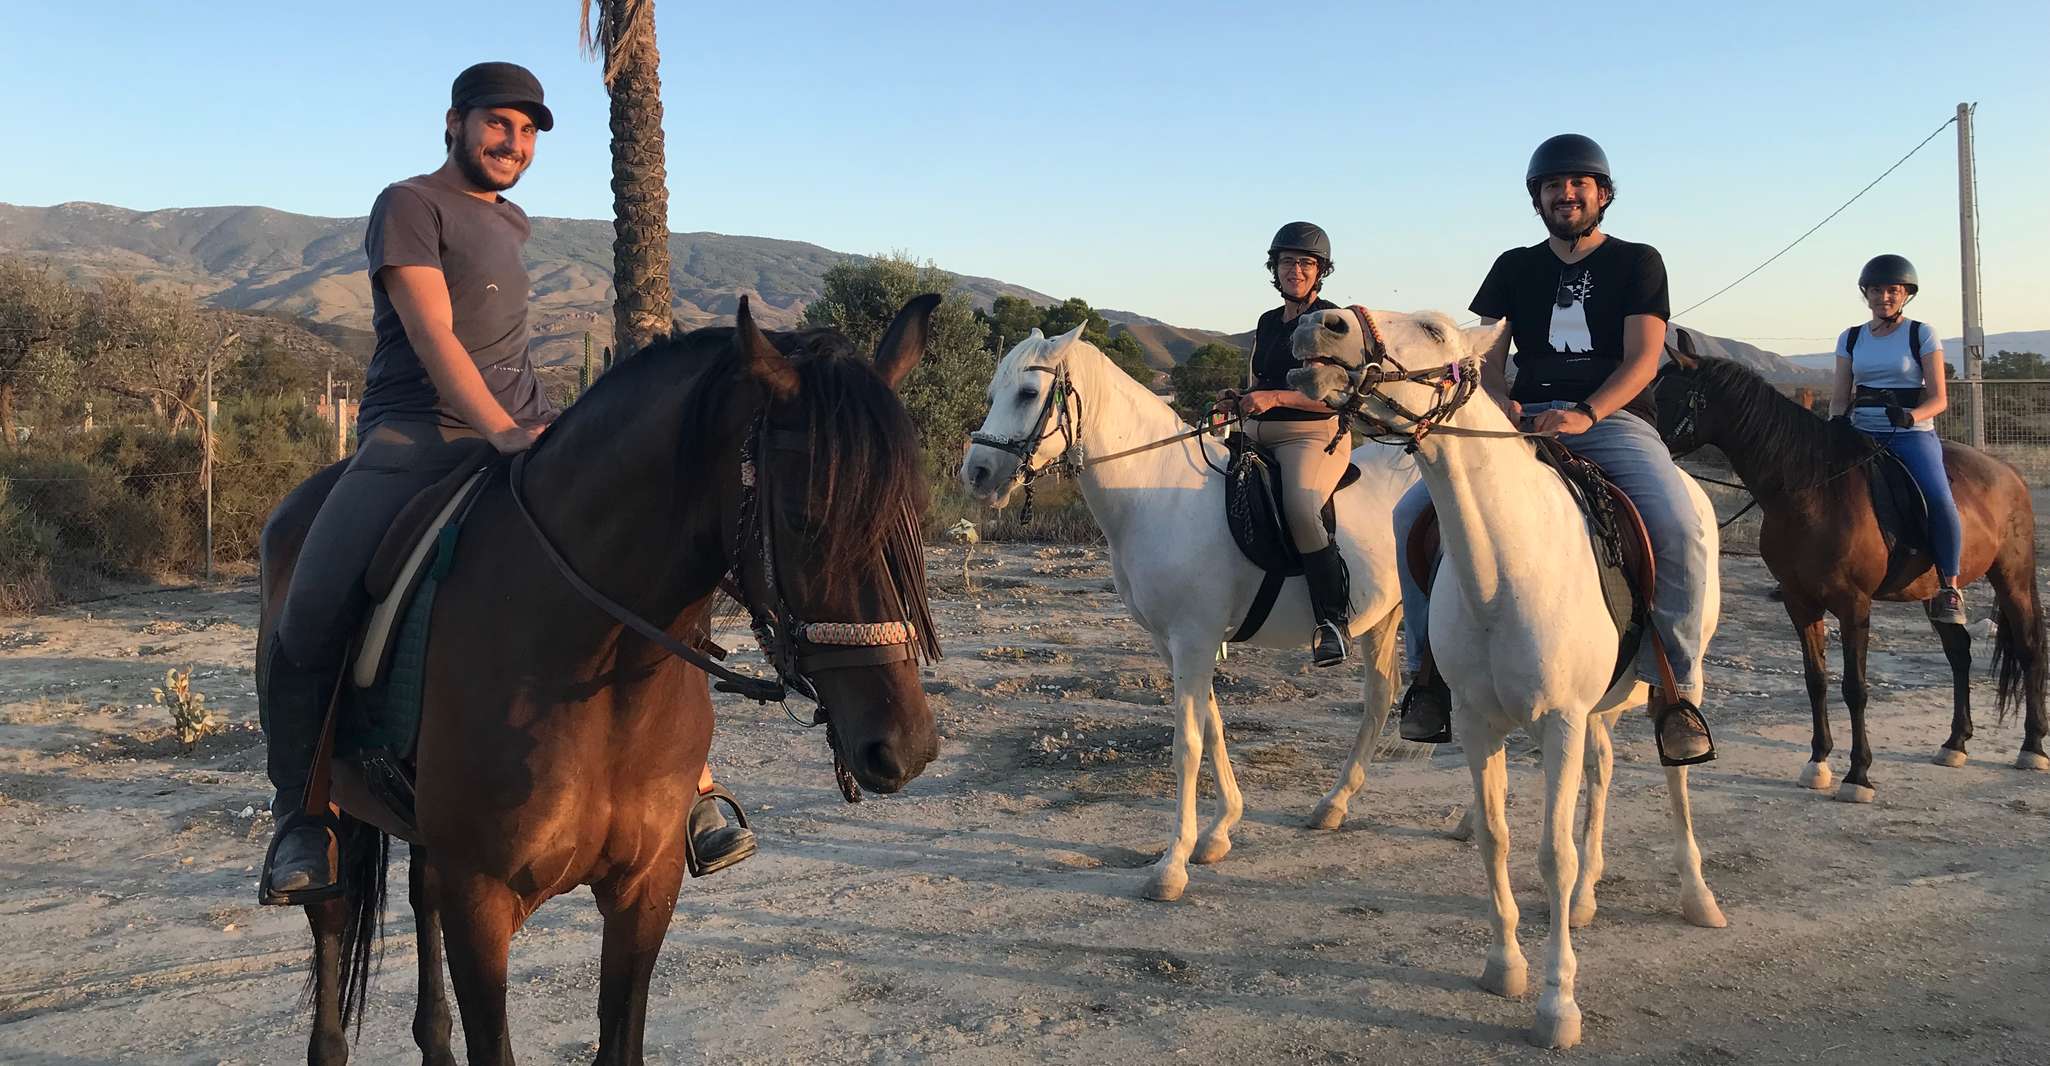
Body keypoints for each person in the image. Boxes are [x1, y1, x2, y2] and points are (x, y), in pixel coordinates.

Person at [258, 62, 752, 903]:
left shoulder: (511, 221)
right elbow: (433, 333)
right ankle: (304, 815)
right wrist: (498, 431)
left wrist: (547, 434)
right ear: (454, 122)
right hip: (414, 437)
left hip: (521, 429)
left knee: (648, 567)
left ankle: (692, 787)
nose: (513, 143)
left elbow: (507, 353)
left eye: (527, 132)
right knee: (309, 609)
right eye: (498, 124)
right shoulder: (409, 205)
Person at [1391, 134, 1717, 766]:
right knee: (1410, 517)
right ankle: (1426, 673)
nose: (1565, 194)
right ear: (1537, 198)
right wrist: (1501, 402)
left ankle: (1675, 688)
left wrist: (1587, 411)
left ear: (1602, 194)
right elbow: (1487, 353)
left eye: (1578, 184)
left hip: (1612, 421)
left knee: (1681, 527)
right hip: (1520, 425)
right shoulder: (1515, 266)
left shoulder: (1637, 262)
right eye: (1552, 186)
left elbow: (1644, 357)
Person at [1214, 222, 1352, 665]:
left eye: (1305, 263)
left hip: (1311, 434)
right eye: (1287, 262)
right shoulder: (1267, 322)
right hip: (1256, 433)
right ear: (1275, 269)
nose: (1295, 270)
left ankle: (1332, 622)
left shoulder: (1332, 320)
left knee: (1300, 509)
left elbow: (1336, 395)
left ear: (1320, 272)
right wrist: (1238, 398)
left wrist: (1274, 397)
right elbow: (1259, 381)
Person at [1830, 254, 1965, 624]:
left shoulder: (1921, 333)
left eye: (1893, 290)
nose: (1884, 296)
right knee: (1816, 488)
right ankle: (1808, 570)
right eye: (1877, 289)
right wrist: (1836, 422)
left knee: (1938, 499)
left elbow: (1939, 397)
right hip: (1861, 430)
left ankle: (1950, 586)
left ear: (1905, 294)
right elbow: (1842, 393)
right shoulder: (1851, 337)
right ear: (1866, 294)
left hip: (1909, 434)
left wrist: (1911, 416)